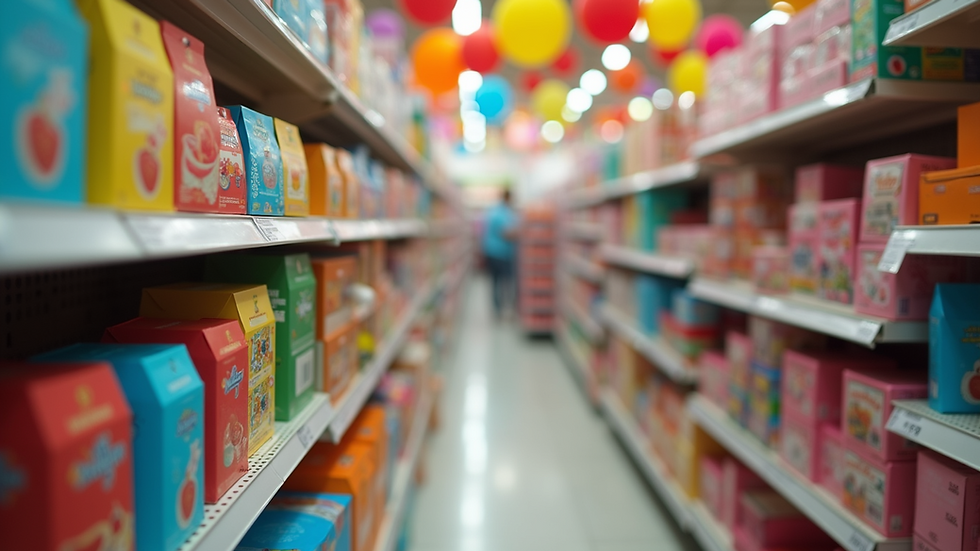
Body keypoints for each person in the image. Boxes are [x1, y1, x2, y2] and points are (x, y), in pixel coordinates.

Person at [482, 189, 518, 319]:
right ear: (508, 198)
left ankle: (497, 309)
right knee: (506, 282)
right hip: (502, 254)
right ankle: (505, 310)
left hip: (491, 252)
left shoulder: (493, 212)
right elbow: (506, 233)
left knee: (495, 282)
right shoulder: (503, 213)